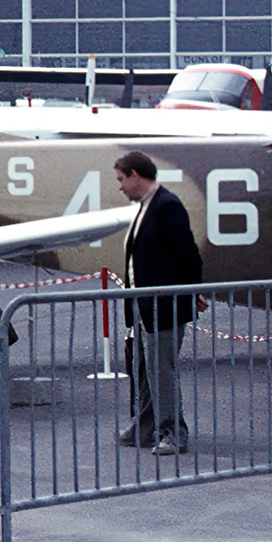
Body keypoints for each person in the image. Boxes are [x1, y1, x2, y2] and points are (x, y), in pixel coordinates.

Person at [114, 150, 204, 456]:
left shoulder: (167, 205)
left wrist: (193, 292)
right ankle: (146, 426)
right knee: (144, 366)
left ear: (135, 175)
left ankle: (174, 432)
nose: (120, 187)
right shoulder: (147, 207)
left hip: (163, 305)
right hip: (145, 306)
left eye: (121, 179)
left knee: (160, 368)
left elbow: (188, 253)